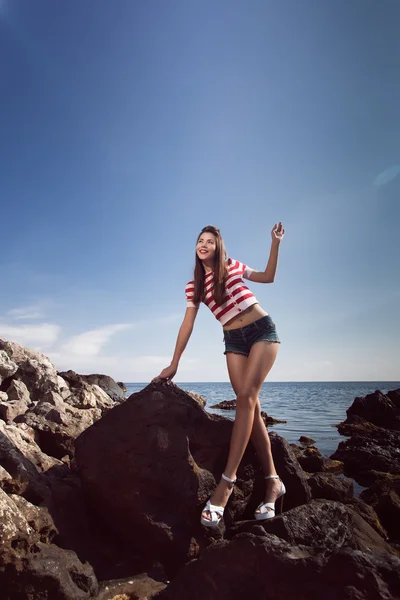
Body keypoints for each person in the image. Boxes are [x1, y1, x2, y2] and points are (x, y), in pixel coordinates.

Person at [154, 223, 285, 528]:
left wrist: (275, 243)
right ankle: (273, 481)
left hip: (262, 331)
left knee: (246, 398)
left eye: (210, 241)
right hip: (233, 342)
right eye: (200, 241)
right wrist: (174, 363)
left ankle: (226, 484)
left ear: (218, 247)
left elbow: (269, 277)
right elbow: (187, 325)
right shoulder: (194, 287)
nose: (203, 244)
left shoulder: (233, 265)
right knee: (250, 406)